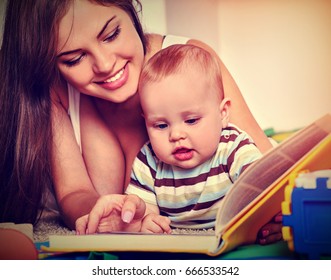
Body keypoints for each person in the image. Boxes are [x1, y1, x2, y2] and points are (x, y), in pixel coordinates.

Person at [0, 0, 280, 244]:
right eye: (75, 59)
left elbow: (265, 165)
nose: (105, 64)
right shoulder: (58, 92)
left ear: (129, 9)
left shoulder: (192, 61)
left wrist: (274, 209)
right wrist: (103, 212)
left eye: (111, 35)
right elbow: (74, 192)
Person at [78, 44, 263, 234]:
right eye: (161, 125)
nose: (175, 135)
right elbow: (143, 210)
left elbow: (263, 182)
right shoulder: (149, 160)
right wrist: (146, 222)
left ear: (223, 113)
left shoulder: (234, 146)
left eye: (191, 120)